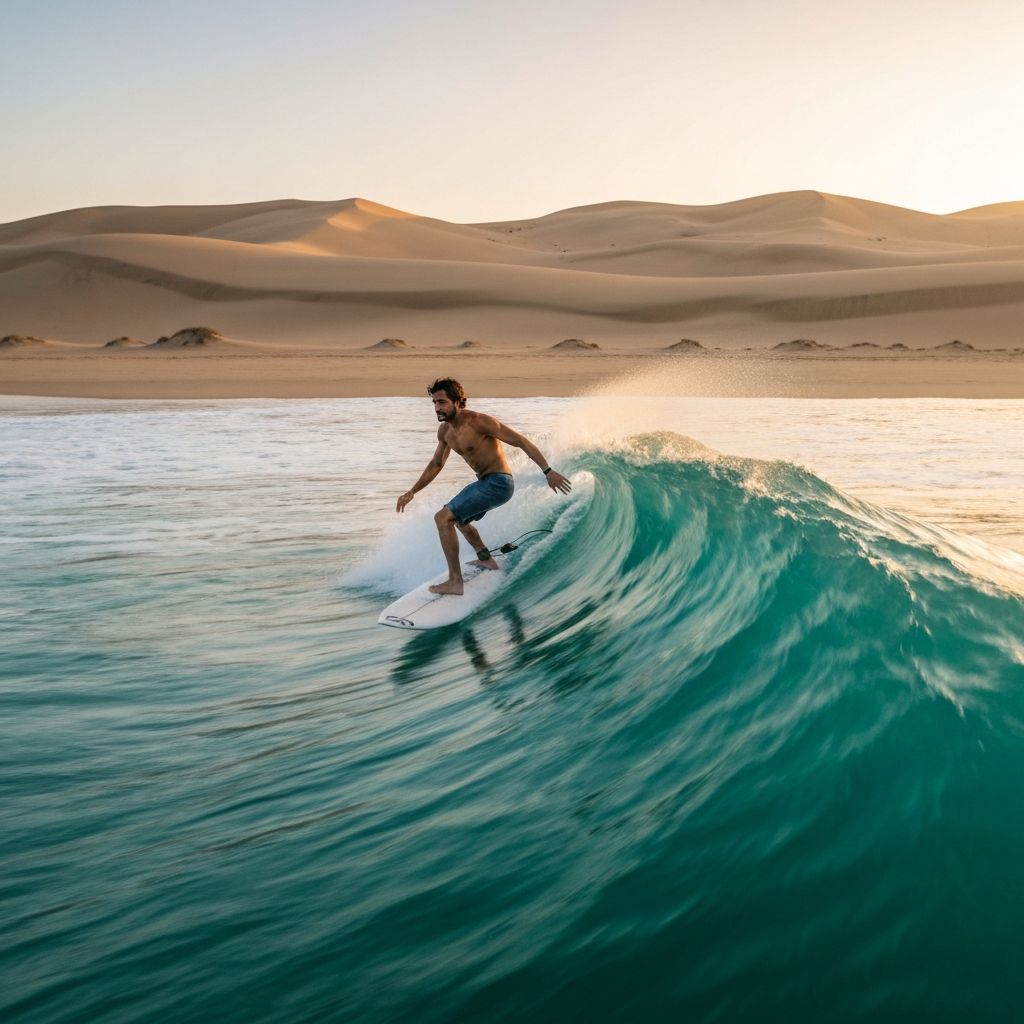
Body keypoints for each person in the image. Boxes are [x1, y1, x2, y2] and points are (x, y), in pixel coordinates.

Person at [397, 378, 572, 595]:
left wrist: (548, 471)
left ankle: (455, 581)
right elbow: (436, 464)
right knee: (458, 520)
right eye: (434, 403)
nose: (436, 408)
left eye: (441, 402)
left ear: (459, 402)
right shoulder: (445, 432)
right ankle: (486, 559)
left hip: (499, 482)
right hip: (485, 482)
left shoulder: (480, 422)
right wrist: (412, 491)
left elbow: (521, 441)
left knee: (443, 518)